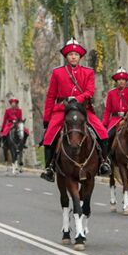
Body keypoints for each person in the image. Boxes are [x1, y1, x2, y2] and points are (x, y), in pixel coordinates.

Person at [40, 38, 110, 182]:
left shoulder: (88, 72)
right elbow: (51, 96)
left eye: (76, 54)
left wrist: (77, 99)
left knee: (102, 132)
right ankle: (49, 168)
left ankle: (104, 162)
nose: (73, 57)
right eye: (71, 54)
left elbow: (90, 91)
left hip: (83, 109)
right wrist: (47, 119)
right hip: (61, 109)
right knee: (49, 136)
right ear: (66, 56)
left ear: (80, 57)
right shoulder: (57, 72)